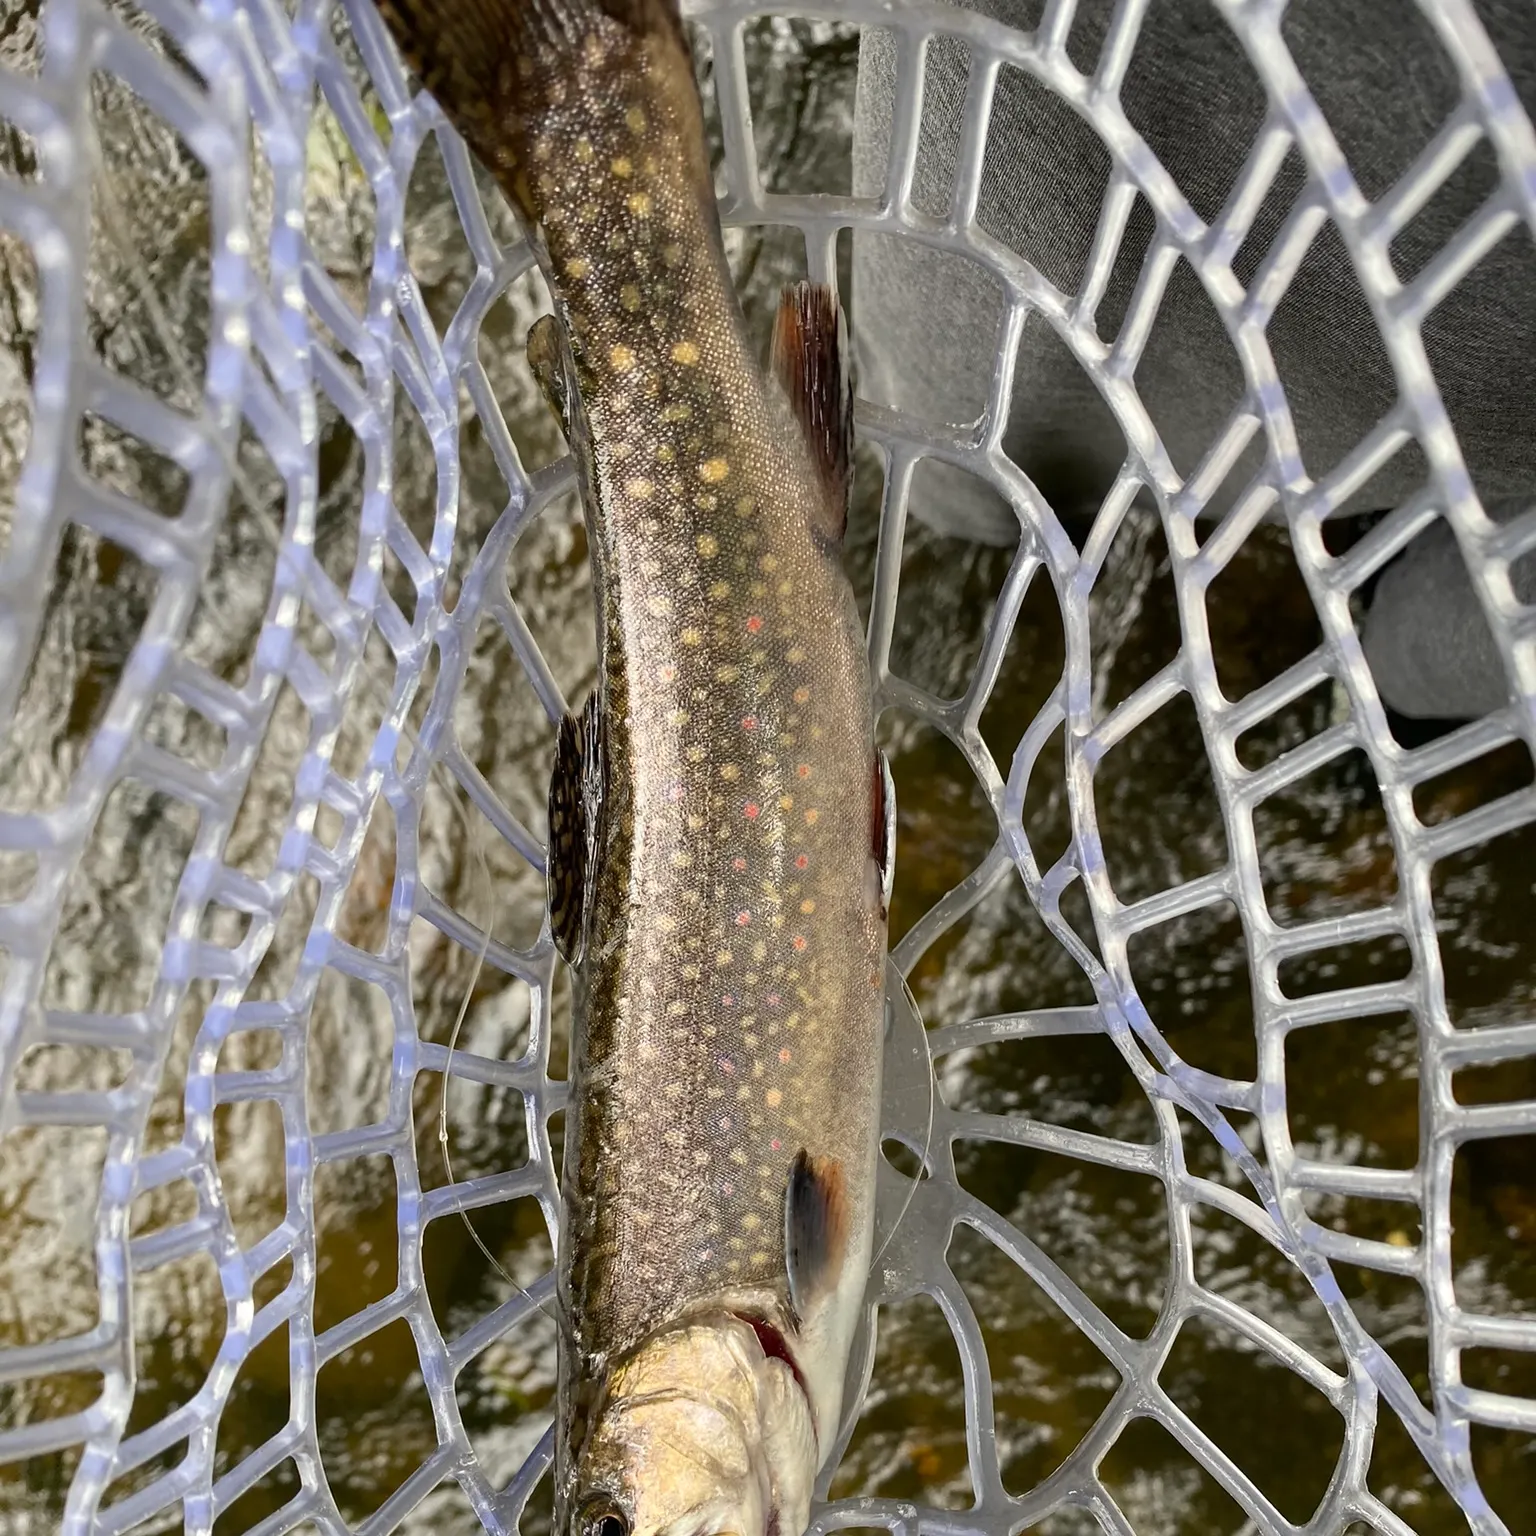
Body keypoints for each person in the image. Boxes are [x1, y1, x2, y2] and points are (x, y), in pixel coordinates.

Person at [852, 0, 1536, 721]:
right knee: (946, 455)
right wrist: (1408, 668)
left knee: (947, 452)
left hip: (1017, 139)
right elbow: (1481, 635)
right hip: (1440, 426)